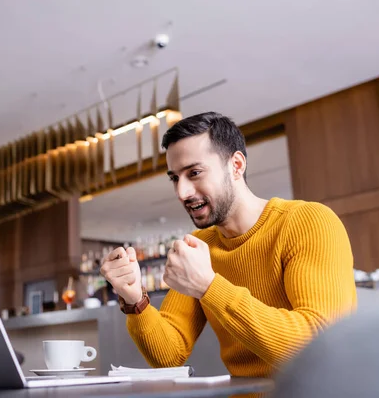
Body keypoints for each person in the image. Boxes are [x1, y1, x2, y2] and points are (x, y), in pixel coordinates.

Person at [100, 111, 357, 377]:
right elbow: (170, 355)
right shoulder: (199, 246)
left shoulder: (308, 222)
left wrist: (209, 286)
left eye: (195, 172)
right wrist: (134, 299)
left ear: (236, 165)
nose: (182, 192)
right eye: (175, 178)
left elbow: (319, 346)